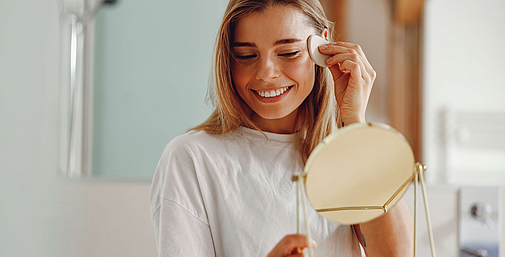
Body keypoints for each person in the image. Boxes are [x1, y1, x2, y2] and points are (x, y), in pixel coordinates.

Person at [150, 0, 414, 256]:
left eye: (288, 53)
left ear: (322, 47)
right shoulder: (191, 158)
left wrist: (354, 123)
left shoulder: (344, 153)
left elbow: (396, 255)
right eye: (245, 55)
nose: (265, 73)